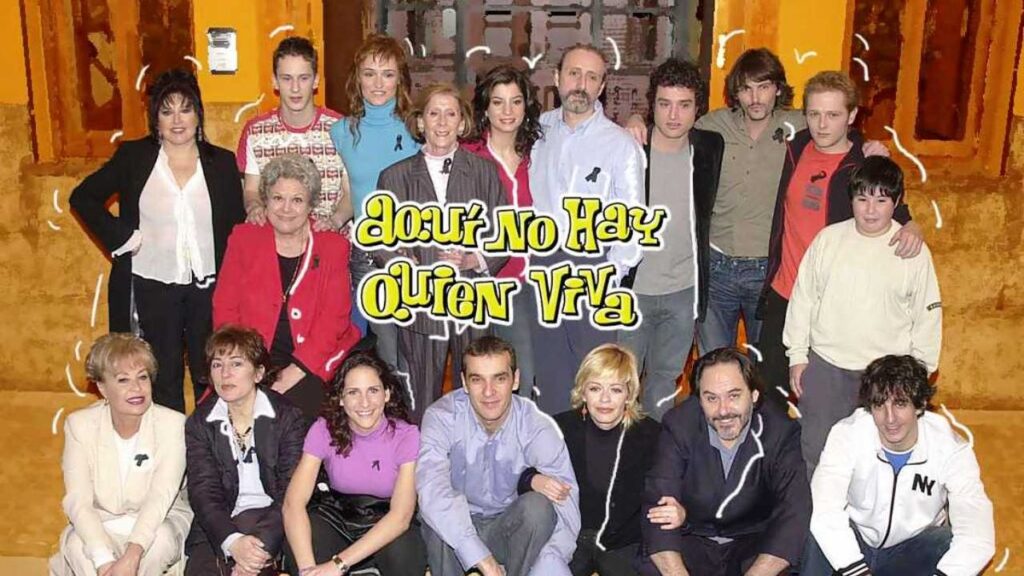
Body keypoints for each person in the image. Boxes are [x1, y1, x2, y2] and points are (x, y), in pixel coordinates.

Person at [624, 49, 918, 358]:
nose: (755, 98)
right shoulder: (714, 125)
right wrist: (635, 118)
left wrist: (871, 152)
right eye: (746, 88)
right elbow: (672, 120)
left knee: (762, 366)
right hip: (715, 267)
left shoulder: (798, 127)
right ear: (735, 92)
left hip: (767, 272)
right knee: (712, 361)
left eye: (763, 87)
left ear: (777, 89)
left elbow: (837, 128)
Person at [70, 69, 245, 412]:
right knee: (161, 377)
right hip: (151, 286)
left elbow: (236, 228)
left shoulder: (222, 163)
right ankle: (170, 445)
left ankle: (210, 442)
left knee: (212, 374)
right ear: (156, 120)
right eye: (167, 111)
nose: (177, 120)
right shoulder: (134, 158)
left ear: (198, 114)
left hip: (209, 289)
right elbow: (83, 197)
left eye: (185, 109)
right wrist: (122, 238)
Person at [757, 71, 919, 394]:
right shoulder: (795, 146)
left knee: (824, 402)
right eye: (814, 114)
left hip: (833, 305)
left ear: (852, 115)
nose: (822, 124)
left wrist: (910, 222)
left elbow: (886, 204)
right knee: (770, 395)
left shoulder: (863, 163)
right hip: (784, 293)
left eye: (833, 115)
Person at [784, 157, 941, 477]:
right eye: (862, 199)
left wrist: (919, 373)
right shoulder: (828, 240)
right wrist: (797, 355)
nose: (870, 210)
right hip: (826, 366)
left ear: (897, 201)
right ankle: (817, 509)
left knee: (877, 460)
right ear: (851, 199)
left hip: (887, 374)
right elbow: (803, 299)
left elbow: (927, 315)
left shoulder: (912, 251)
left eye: (881, 200)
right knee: (817, 453)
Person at [374, 83, 508, 422]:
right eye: (434, 113)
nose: (443, 122)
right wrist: (402, 262)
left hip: (471, 301)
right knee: (420, 400)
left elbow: (504, 234)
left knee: (479, 396)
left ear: (463, 123)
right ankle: (423, 455)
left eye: (451, 114)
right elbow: (379, 241)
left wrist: (475, 259)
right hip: (421, 306)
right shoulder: (394, 177)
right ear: (420, 122)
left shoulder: (484, 172)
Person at [529, 43, 646, 415]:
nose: (581, 84)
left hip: (594, 269)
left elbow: (632, 221)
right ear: (557, 78)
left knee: (597, 380)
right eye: (574, 74)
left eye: (592, 77)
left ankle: (593, 449)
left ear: (602, 86)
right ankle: (552, 447)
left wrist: (610, 276)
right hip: (543, 266)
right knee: (549, 377)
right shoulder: (535, 131)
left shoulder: (620, 145)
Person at [803, 355, 995, 576]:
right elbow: (825, 509)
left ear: (920, 405)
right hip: (856, 541)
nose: (890, 418)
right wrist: (857, 572)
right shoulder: (847, 434)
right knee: (817, 530)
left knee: (947, 542)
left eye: (900, 404)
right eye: (879, 405)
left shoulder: (951, 449)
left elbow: (977, 534)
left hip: (911, 549)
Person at [416, 336, 581, 576]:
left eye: (499, 378)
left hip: (507, 528)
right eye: (477, 379)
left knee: (538, 508)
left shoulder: (536, 425)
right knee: (437, 517)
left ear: (515, 380)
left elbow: (567, 506)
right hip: (457, 525)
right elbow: (432, 489)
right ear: (464, 382)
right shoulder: (441, 417)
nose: (488, 392)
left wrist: (550, 561)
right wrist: (480, 557)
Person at [213, 154, 361, 419]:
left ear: (311, 204)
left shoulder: (332, 246)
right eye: (278, 198)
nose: (286, 209)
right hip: (252, 359)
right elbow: (225, 308)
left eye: (297, 200)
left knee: (292, 416)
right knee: (222, 418)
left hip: (312, 362)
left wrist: (292, 373)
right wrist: (242, 366)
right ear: (265, 200)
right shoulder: (244, 238)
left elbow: (334, 320)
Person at [642, 347, 809, 576]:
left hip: (752, 543)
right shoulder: (678, 425)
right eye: (711, 398)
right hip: (692, 537)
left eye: (734, 396)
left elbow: (794, 511)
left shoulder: (780, 432)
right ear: (699, 400)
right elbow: (659, 506)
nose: (723, 410)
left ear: (754, 395)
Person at [619, 58, 724, 420]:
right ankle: (621, 448)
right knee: (621, 382)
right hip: (633, 291)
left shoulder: (710, 147)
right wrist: (631, 121)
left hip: (683, 291)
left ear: (698, 109)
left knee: (665, 382)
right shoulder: (630, 148)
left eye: (684, 105)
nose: (674, 115)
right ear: (652, 105)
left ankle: (656, 447)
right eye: (664, 104)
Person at [50, 334, 193, 576]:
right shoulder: (79, 425)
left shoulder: (173, 424)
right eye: (123, 380)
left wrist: (132, 555)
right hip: (101, 520)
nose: (136, 388)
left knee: (159, 543)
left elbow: (161, 496)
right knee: (77, 545)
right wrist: (104, 562)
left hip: (158, 522)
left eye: (142, 377)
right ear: (102, 388)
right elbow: (78, 501)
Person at [521, 343, 662, 575]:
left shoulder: (651, 434)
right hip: (569, 537)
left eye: (615, 389)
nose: (605, 399)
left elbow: (673, 485)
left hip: (624, 542)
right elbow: (517, 470)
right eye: (595, 388)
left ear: (629, 394)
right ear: (583, 391)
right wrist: (533, 480)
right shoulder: (558, 427)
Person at [282, 350, 425, 575]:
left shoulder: (407, 436)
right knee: (300, 542)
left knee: (403, 553)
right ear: (341, 398)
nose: (364, 402)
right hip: (338, 514)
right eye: (353, 392)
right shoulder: (323, 429)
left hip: (387, 519)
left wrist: (338, 565)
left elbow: (401, 516)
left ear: (387, 394)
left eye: (373, 390)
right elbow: (293, 504)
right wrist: (308, 570)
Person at [184, 325, 307, 576]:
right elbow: (203, 492)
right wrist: (232, 542)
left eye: (236, 364)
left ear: (258, 373)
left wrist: (257, 548)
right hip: (221, 522)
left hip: (275, 520)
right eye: (217, 365)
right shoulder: (200, 422)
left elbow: (291, 494)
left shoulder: (288, 417)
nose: (225, 374)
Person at [328, 33, 419, 358]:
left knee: (415, 350)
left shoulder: (417, 128)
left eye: (387, 74)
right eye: (370, 73)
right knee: (381, 350)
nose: (378, 84)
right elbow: (352, 193)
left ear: (400, 80)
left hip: (413, 250)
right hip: (366, 253)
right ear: (358, 78)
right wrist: (332, 221)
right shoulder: (341, 131)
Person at [464, 63, 544, 399]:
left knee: (524, 378)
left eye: (515, 101)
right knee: (481, 382)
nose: (507, 111)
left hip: (529, 283)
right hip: (479, 284)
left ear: (526, 106)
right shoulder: (467, 155)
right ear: (485, 107)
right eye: (498, 102)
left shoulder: (539, 153)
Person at [238, 36, 348, 231]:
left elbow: (351, 192)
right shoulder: (255, 132)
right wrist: (255, 207)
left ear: (315, 81)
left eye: (303, 78)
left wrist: (335, 221)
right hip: (276, 239)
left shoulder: (342, 130)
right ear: (275, 81)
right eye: (287, 78)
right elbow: (251, 189)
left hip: (330, 239)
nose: (295, 88)